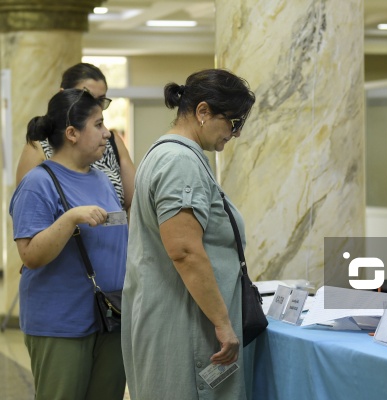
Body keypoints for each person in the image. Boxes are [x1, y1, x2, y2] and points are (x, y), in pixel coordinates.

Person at [121, 69, 255, 399]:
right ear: (203, 112)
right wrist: (223, 324)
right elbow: (184, 250)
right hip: (184, 325)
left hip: (175, 315)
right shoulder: (180, 161)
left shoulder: (166, 153)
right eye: (233, 123)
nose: (235, 134)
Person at [10, 89, 128, 399]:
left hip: (111, 316)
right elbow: (30, 255)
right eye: (99, 125)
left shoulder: (101, 179)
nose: (107, 134)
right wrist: (70, 218)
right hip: (62, 323)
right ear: (72, 133)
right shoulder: (38, 183)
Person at [15, 62, 135, 211]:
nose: (94, 106)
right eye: (87, 97)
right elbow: (28, 217)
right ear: (64, 95)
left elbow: (133, 202)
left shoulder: (111, 142)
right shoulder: (38, 148)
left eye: (101, 99)